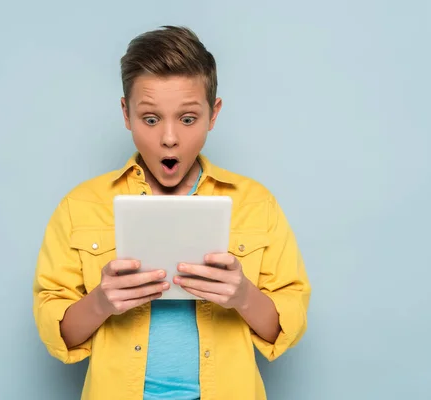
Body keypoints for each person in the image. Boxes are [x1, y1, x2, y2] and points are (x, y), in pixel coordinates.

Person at [32, 25, 311, 400]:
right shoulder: (79, 206)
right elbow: (57, 333)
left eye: (188, 118)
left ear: (213, 114)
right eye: (150, 119)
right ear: (126, 114)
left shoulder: (256, 204)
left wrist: (243, 295)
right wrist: (100, 302)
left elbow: (287, 327)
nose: (168, 138)